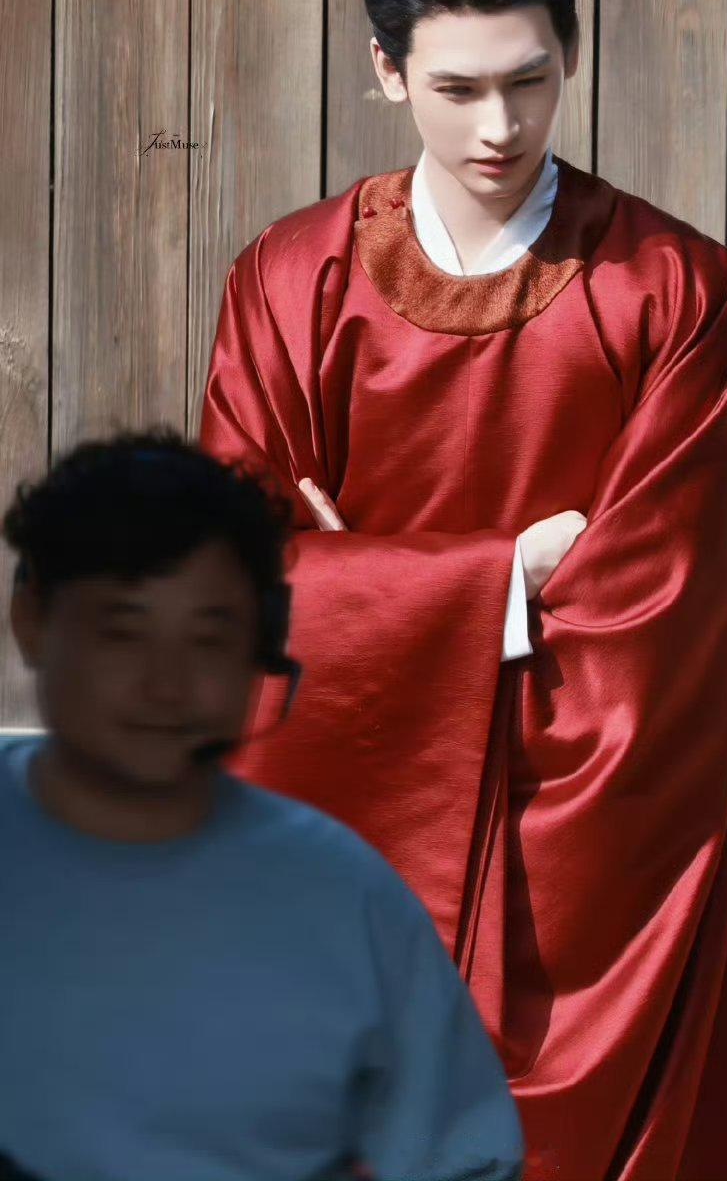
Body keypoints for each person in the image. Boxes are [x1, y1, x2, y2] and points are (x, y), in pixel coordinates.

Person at [199, 0, 727, 1180]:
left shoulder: (670, 289)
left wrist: (364, 576)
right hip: (355, 781)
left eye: (530, 80)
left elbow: (664, 606)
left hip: (598, 797)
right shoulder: (293, 281)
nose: (497, 129)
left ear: (571, 56)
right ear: (388, 72)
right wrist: (500, 577)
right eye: (456, 89)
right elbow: (234, 575)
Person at [0, 429, 525, 1181]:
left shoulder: (345, 896)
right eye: (121, 630)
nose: (165, 685)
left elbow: (464, 1152)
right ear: (33, 623)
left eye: (209, 638)